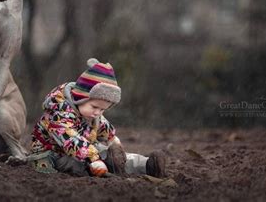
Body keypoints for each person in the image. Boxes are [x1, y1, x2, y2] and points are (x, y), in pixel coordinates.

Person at [30, 58, 166, 177]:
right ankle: (104, 165)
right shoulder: (59, 114)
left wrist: (112, 138)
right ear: (80, 97)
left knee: (108, 153)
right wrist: (94, 159)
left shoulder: (89, 112)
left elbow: (101, 123)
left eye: (102, 109)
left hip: (86, 147)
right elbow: (70, 140)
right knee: (75, 163)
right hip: (54, 152)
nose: (98, 112)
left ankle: (146, 165)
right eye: (95, 107)